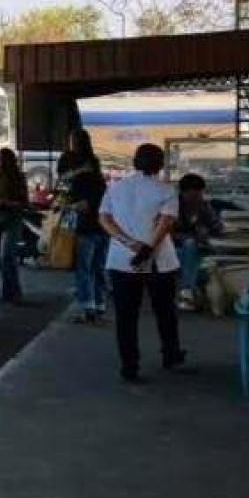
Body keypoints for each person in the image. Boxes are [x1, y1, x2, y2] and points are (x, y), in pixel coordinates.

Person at [98, 143, 187, 384]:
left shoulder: (116, 188)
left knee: (126, 316)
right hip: (159, 261)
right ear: (160, 164)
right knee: (165, 312)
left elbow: (104, 219)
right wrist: (147, 248)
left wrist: (129, 243)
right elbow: (165, 223)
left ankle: (129, 366)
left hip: (121, 261)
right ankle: (170, 355)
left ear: (135, 162)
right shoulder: (166, 190)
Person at [0, 148, 29, 304]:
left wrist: (8, 203)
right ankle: (7, 291)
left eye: (1, 159)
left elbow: (24, 202)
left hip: (13, 219)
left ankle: (15, 292)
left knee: (7, 256)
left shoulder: (18, 178)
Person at [173, 173, 223, 312]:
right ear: (183, 192)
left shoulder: (203, 205)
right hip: (175, 248)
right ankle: (187, 291)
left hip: (199, 246)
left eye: (200, 194)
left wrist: (213, 230)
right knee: (189, 247)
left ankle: (190, 291)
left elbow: (215, 225)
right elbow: (168, 232)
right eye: (194, 195)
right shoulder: (173, 206)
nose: (198, 197)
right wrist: (190, 237)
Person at [68, 164, 108, 324]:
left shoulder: (81, 181)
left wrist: (70, 206)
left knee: (84, 269)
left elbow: (83, 206)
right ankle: (100, 305)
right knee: (99, 269)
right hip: (103, 230)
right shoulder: (101, 182)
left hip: (87, 230)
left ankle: (88, 307)